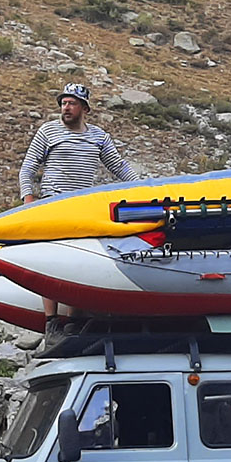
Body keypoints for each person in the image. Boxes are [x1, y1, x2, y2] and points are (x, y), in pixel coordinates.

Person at [18, 83, 140, 342]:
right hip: (52, 203)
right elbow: (28, 167)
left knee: (77, 261)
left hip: (82, 206)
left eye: (72, 103)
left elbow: (118, 166)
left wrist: (144, 188)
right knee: (50, 261)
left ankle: (73, 321)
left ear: (84, 108)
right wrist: (28, 197)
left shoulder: (98, 137)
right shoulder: (48, 131)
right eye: (63, 103)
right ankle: (51, 323)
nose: (66, 107)